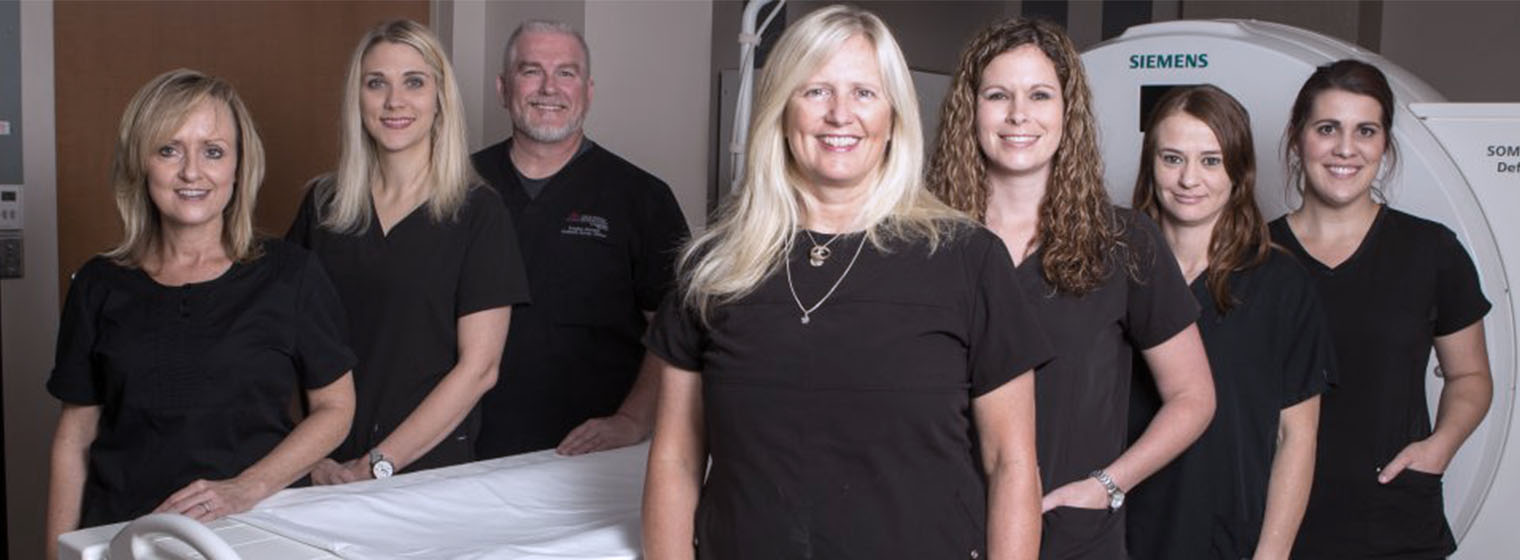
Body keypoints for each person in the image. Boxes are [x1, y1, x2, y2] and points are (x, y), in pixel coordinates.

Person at [642, 5, 1048, 558]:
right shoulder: (714, 267)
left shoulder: (966, 259)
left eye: (864, 93)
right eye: (815, 91)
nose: (840, 115)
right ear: (781, 109)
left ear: (894, 117)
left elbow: (1013, 463)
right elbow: (675, 458)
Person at [926, 17, 1216, 559]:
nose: (1019, 115)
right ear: (971, 110)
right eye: (998, 95)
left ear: (1067, 112)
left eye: (1039, 95)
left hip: (1074, 538)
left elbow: (1193, 397)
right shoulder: (923, 244)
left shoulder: (1125, 241)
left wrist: (1108, 485)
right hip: (940, 533)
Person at [45, 69, 357, 557]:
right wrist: (57, 553)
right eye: (169, 150)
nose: (192, 172)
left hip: (252, 533)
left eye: (213, 151)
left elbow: (336, 410)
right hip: (123, 536)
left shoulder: (290, 275)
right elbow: (74, 439)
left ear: (238, 166)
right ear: (141, 163)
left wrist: (246, 487)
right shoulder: (97, 284)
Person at [287, 19, 530, 482]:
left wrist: (377, 464)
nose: (394, 101)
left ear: (440, 98)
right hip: (320, 466)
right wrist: (306, 455)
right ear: (356, 99)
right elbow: (280, 344)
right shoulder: (322, 207)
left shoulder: (479, 213)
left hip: (424, 469)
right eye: (376, 83)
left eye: (414, 82)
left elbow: (480, 369)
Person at [1269, 59, 1493, 559]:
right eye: (1327, 128)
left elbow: (1471, 377)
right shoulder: (1253, 257)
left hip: (1395, 524)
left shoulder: (1431, 252)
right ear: (1298, 137)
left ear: (1384, 145)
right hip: (1271, 525)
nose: (1346, 148)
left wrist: (1438, 448)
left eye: (1365, 131)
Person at [1125, 85, 1332, 559]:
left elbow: (1296, 437)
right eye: (1172, 158)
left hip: (1225, 537)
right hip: (1122, 532)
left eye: (1211, 161)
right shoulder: (1117, 271)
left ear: (1239, 171)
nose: (1189, 179)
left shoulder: (1281, 284)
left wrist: (1272, 553)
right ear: (1150, 166)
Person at [471, 20, 689, 459]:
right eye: (531, 71)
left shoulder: (642, 197)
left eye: (566, 73)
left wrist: (632, 419)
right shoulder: (460, 187)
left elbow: (677, 330)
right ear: (502, 88)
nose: (549, 88)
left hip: (589, 453)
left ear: (588, 92)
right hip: (465, 448)